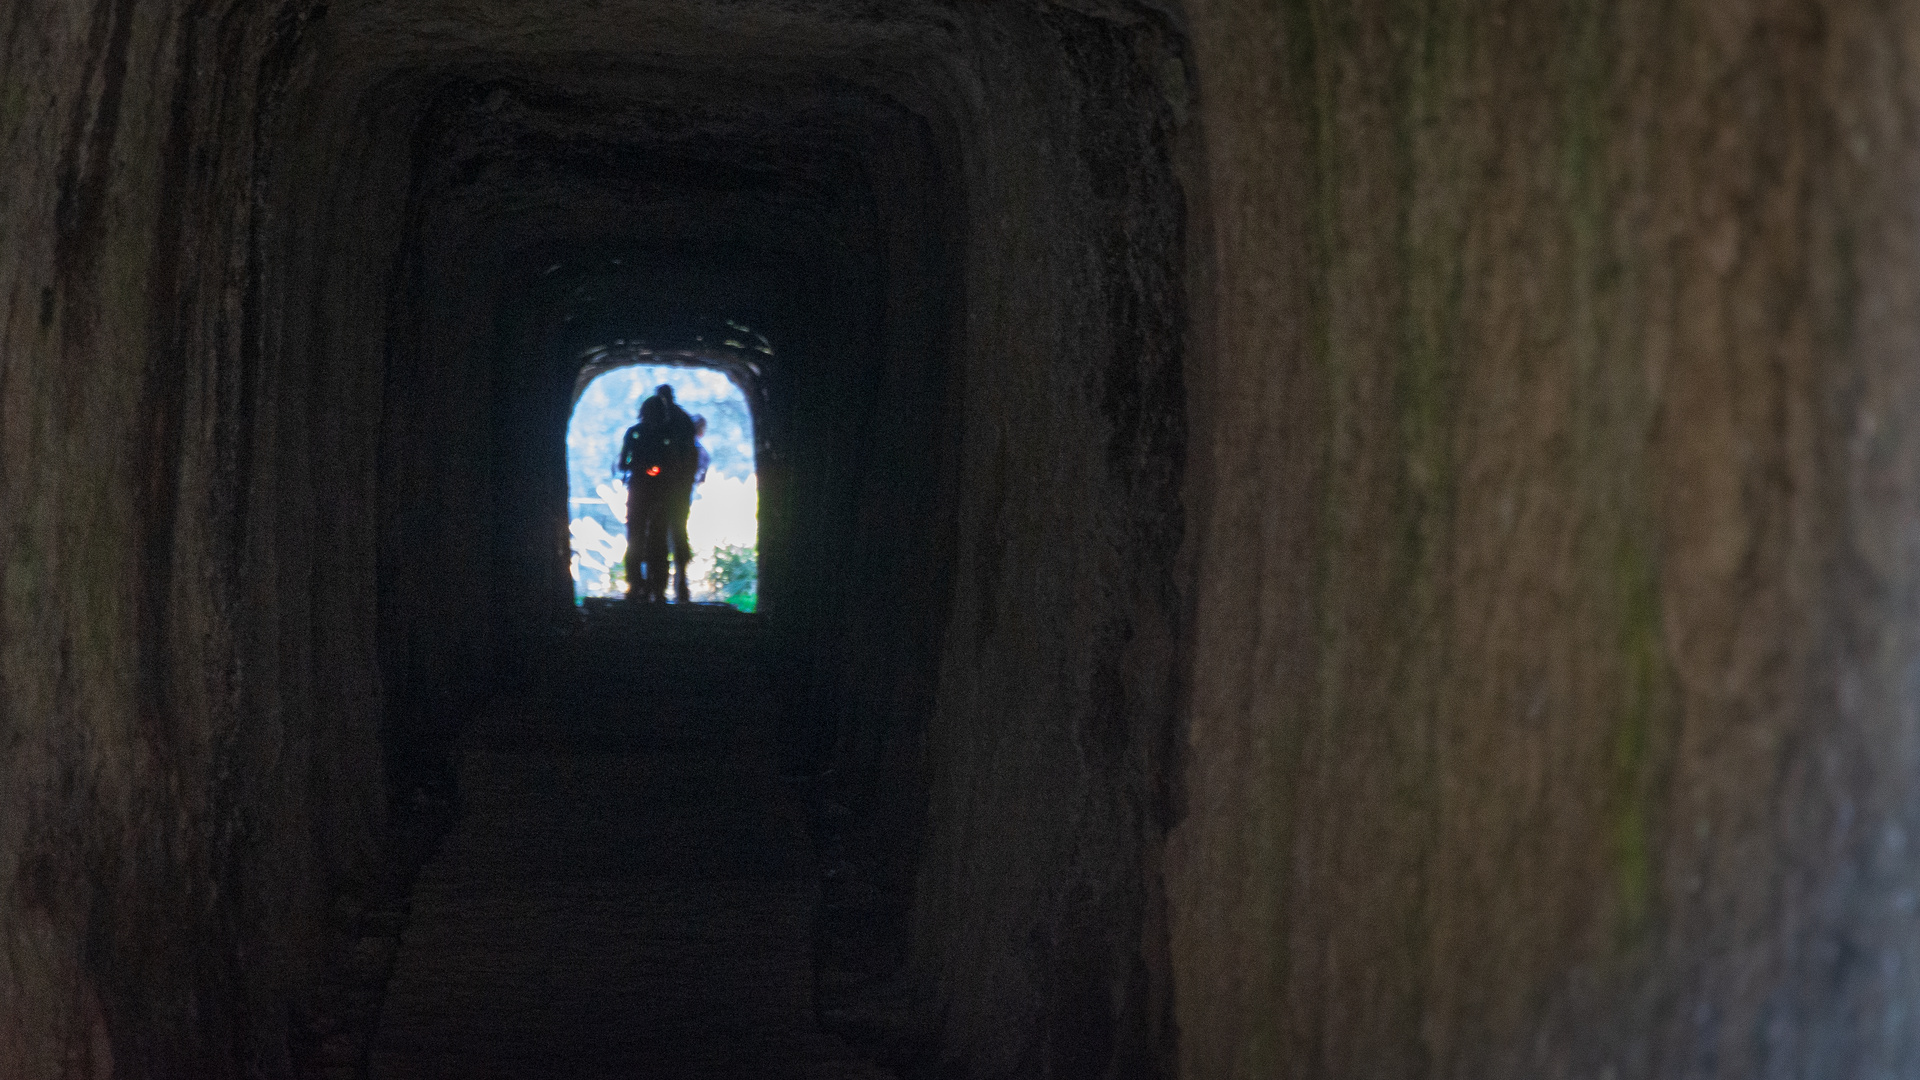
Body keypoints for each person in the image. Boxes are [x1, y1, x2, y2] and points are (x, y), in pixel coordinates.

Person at [616, 384, 698, 603]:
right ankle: (655, 587)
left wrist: (639, 467)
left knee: (639, 538)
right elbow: (682, 461)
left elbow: (623, 463)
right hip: (663, 492)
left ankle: (637, 585)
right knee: (656, 539)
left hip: (643, 490)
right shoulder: (672, 430)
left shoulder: (635, 432)